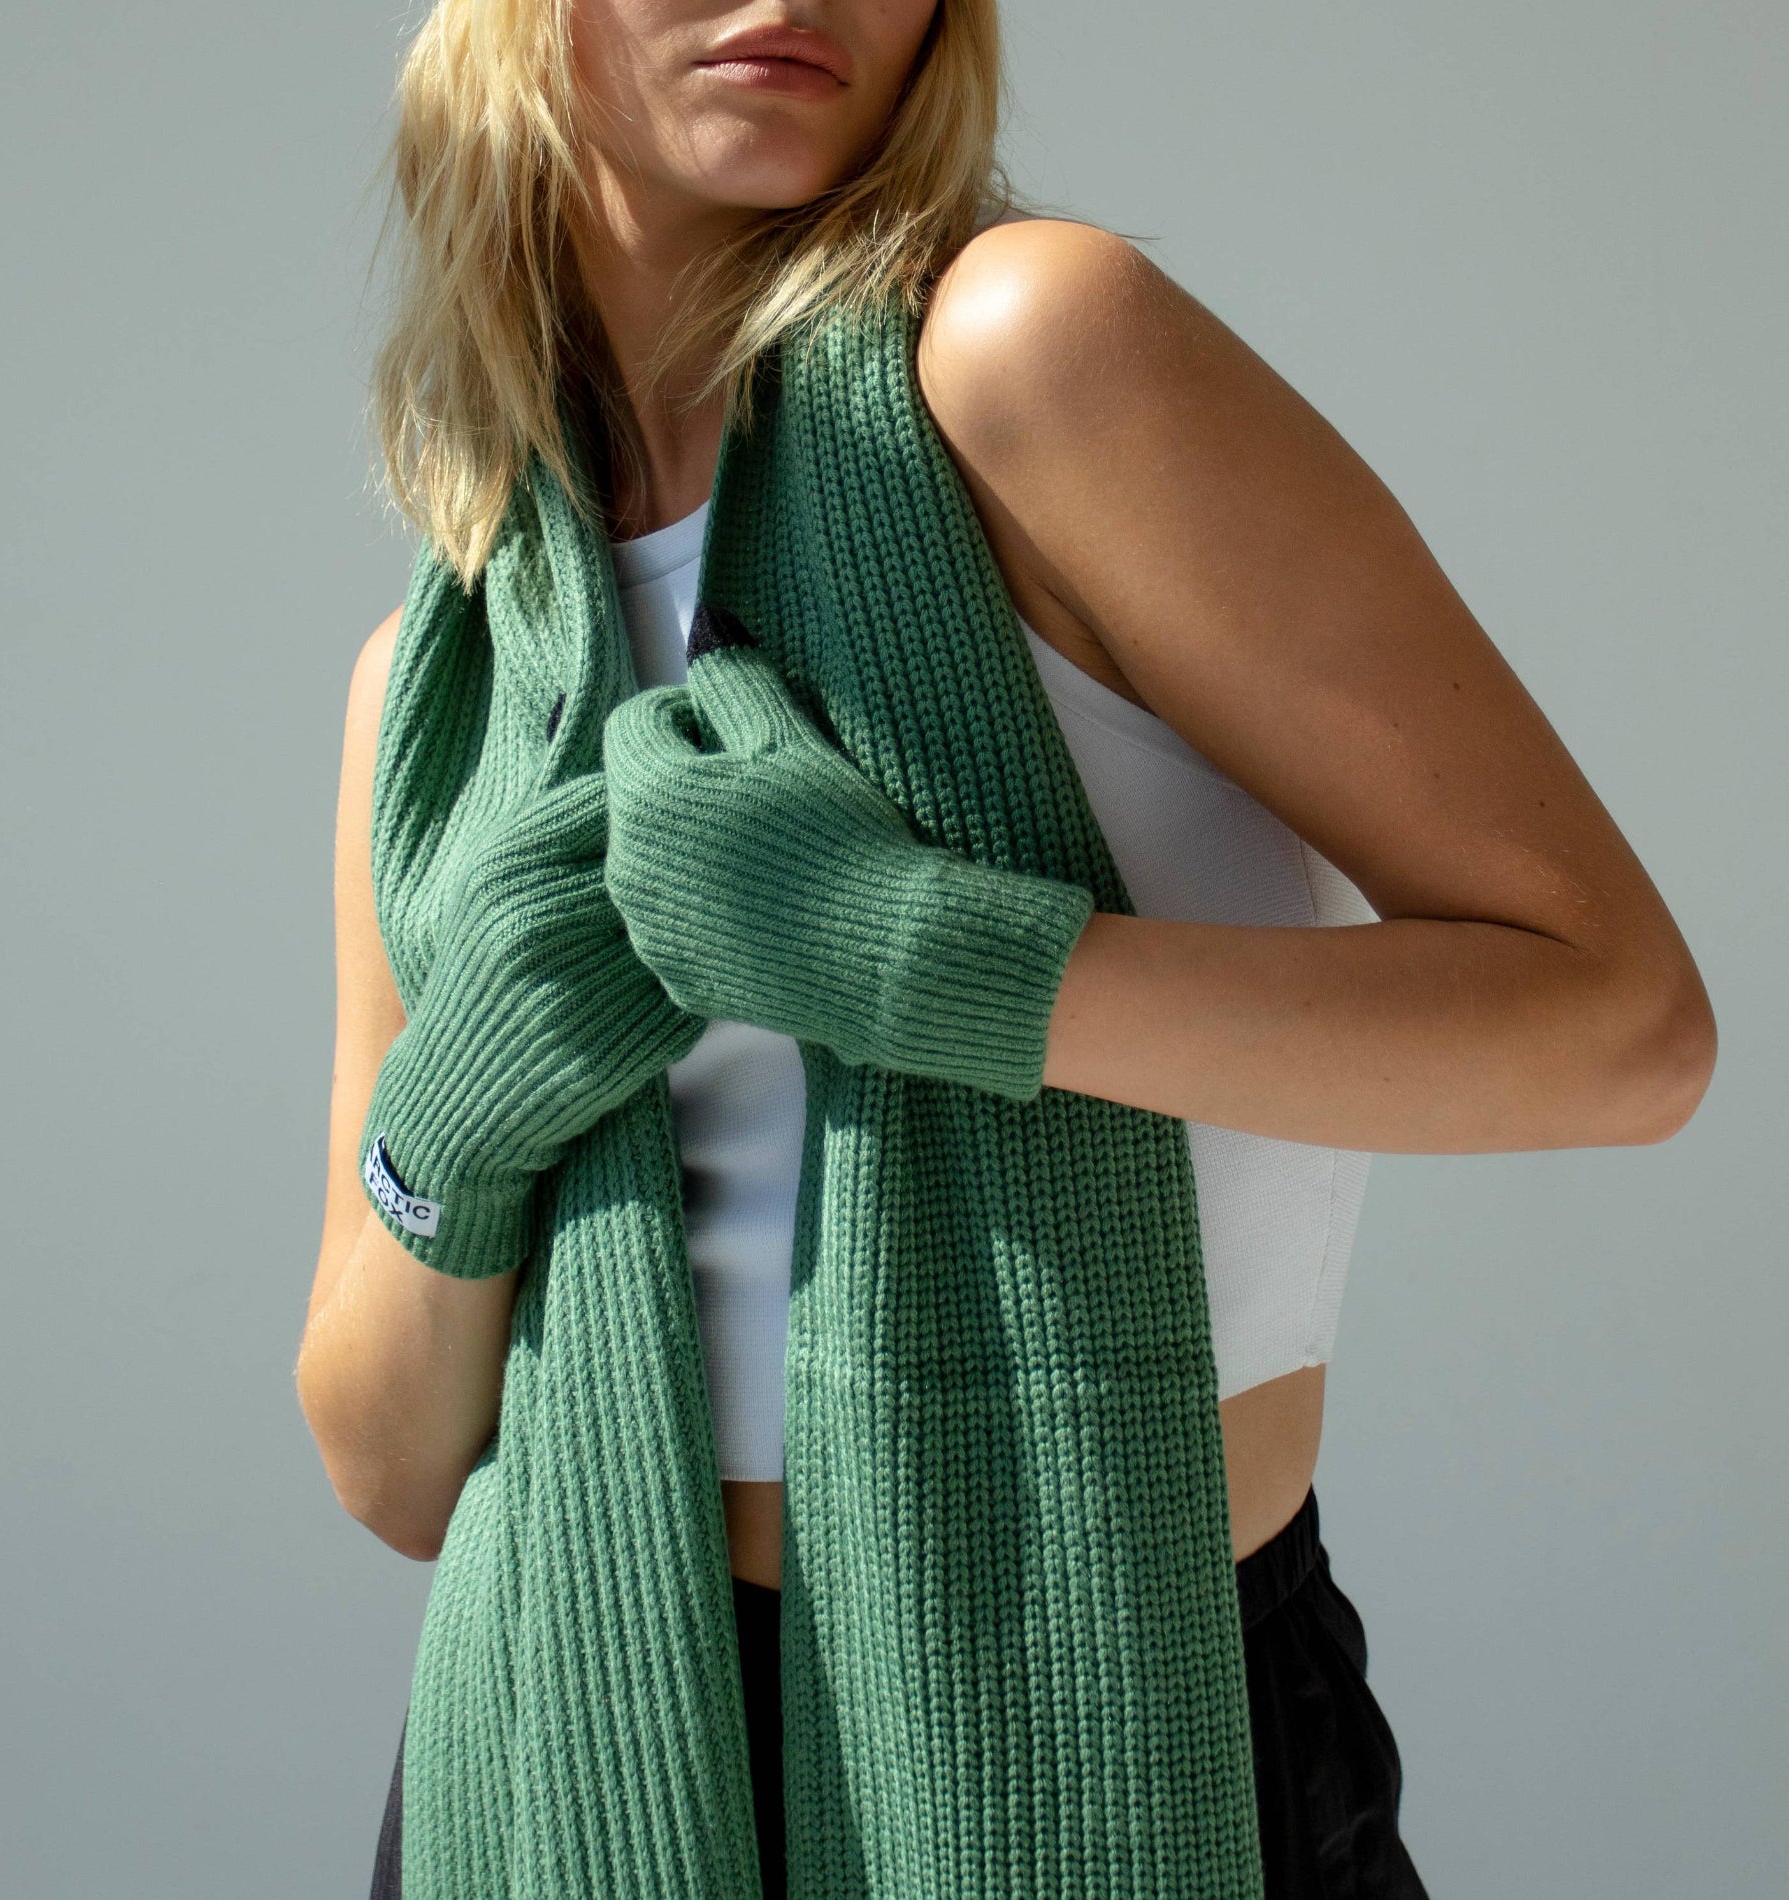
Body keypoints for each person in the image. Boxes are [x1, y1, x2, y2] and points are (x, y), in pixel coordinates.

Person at [295, 3, 1717, 1895]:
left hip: (1101, 1697)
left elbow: (1621, 1027)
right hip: (570, 1738)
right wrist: (463, 1110)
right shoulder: (438, 679)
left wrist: (917, 954)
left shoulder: (1034, 353)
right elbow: (390, 1469)